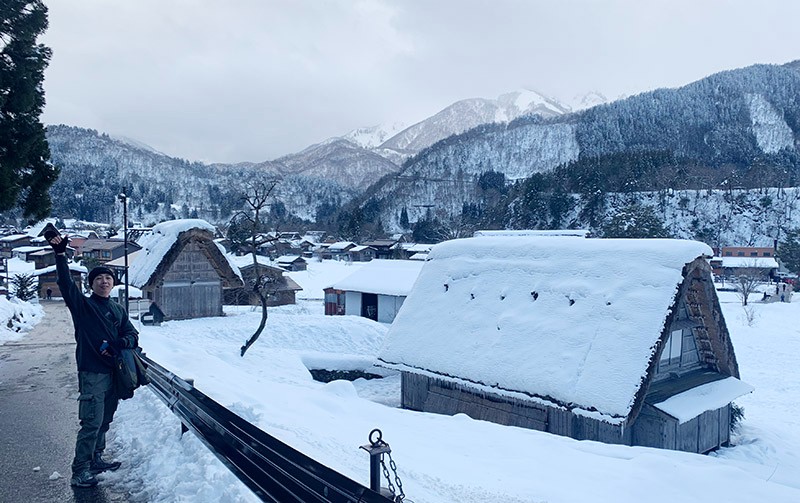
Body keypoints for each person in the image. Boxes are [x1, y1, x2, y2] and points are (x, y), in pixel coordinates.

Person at [46, 231, 139, 489]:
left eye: (108, 278)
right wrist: (60, 255)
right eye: (99, 278)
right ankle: (80, 470)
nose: (104, 282)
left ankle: (96, 457)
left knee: (105, 420)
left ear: (113, 283)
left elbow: (132, 334)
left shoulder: (117, 309)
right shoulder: (83, 307)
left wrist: (122, 342)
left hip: (113, 372)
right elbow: (65, 284)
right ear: (91, 283)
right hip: (92, 372)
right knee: (91, 422)